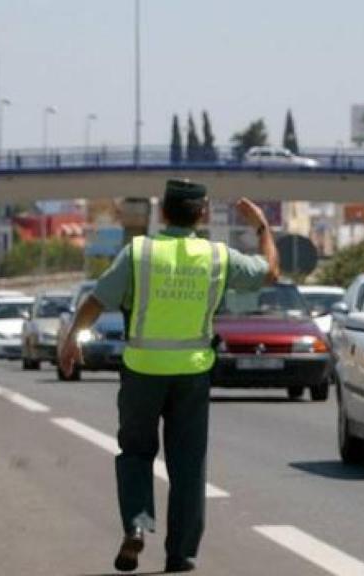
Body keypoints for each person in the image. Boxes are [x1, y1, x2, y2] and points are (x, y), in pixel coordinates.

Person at [58, 179, 280, 573]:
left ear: (162, 214)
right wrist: (262, 227)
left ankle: (137, 526)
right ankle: (180, 555)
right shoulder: (217, 256)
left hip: (142, 370)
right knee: (188, 467)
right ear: (204, 214)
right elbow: (270, 273)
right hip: (192, 374)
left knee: (136, 454)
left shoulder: (139, 253)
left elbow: (96, 300)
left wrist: (71, 340)